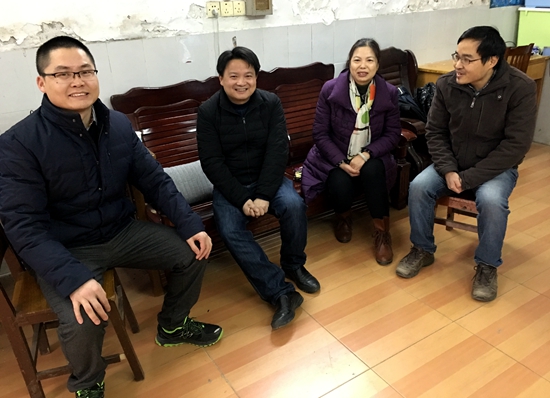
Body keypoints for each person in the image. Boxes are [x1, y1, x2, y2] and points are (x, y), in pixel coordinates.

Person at [0, 36, 222, 398]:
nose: (77, 81)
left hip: (121, 232)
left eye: (85, 71)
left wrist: (190, 224)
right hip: (68, 248)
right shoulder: (19, 144)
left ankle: (172, 326)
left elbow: (155, 180)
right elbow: (24, 227)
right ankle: (88, 383)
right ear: (42, 82)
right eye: (63, 74)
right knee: (82, 318)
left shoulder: (117, 125)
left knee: (193, 252)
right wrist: (74, 280)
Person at [395, 26, 537, 302]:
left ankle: (487, 265)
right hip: (453, 162)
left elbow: (515, 146)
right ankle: (422, 249)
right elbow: (435, 132)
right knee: (419, 186)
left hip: (496, 168)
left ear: (492, 60)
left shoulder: (520, 88)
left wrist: (468, 178)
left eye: (467, 59)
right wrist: (449, 169)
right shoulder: (447, 85)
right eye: (456, 56)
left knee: (492, 200)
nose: (457, 65)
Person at [196, 46, 320, 330]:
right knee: (229, 229)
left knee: (293, 205)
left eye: (248, 75)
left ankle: (294, 265)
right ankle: (280, 292)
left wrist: (263, 195)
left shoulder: (270, 103)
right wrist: (243, 199)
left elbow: (278, 151)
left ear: (256, 77)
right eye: (234, 76)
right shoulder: (208, 111)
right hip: (231, 185)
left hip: (269, 179)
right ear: (221, 79)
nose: (241, 82)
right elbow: (212, 163)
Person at [301, 38, 401, 265]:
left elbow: (393, 134)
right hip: (334, 155)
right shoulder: (330, 90)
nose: (362, 66)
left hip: (371, 155)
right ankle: (343, 218)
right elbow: (320, 133)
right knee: (339, 179)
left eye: (369, 60)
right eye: (357, 60)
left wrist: (365, 155)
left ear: (378, 64)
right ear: (349, 62)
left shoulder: (389, 93)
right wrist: (341, 161)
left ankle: (382, 233)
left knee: (374, 170)